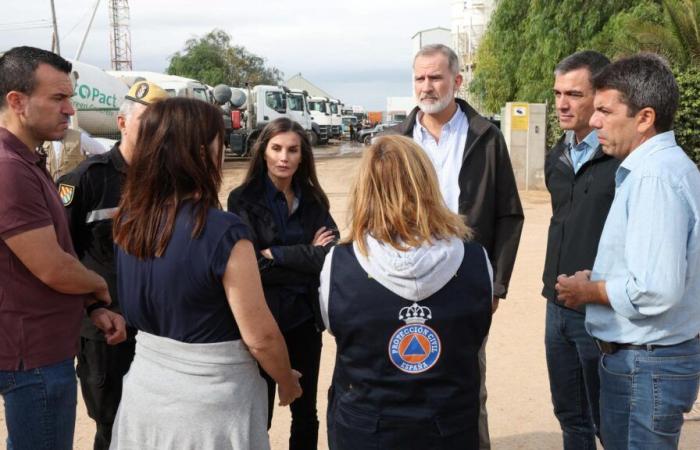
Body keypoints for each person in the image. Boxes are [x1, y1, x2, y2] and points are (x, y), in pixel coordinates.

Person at [110, 98, 301, 449]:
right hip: (208, 409)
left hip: (144, 394)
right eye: (221, 143)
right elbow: (260, 337)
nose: (225, 151)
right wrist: (286, 382)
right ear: (201, 153)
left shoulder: (128, 220)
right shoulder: (222, 231)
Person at [556, 53, 700, 450]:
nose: (594, 120)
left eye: (604, 110)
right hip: (646, 363)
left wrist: (591, 291)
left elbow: (656, 288)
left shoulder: (654, 178)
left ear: (644, 118)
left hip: (646, 364)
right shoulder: (659, 169)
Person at [386, 43, 524, 449]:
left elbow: (509, 215)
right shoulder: (397, 141)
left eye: (435, 77)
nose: (426, 87)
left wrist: (496, 284)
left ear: (457, 80)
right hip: (403, 283)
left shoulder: (486, 138)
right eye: (419, 78)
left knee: (467, 383)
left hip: (467, 284)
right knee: (406, 378)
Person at [319, 135, 493, 449]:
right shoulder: (476, 259)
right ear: (428, 184)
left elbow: (336, 327)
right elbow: (477, 331)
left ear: (365, 189)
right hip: (449, 430)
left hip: (367, 430)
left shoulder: (339, 264)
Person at [0, 46, 126, 450]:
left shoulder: (26, 162)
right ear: (17, 102)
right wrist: (100, 287)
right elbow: (53, 267)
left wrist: (91, 305)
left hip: (40, 347)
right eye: (58, 98)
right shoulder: (9, 169)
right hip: (30, 356)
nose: (70, 110)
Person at [55, 80, 169, 450]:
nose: (155, 132)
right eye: (146, 122)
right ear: (122, 123)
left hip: (159, 327)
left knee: (158, 422)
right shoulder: (87, 180)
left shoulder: (169, 182)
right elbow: (62, 252)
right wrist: (92, 308)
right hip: (107, 330)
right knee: (112, 425)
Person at [228, 117, 337, 450]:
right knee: (259, 415)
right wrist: (306, 256)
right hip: (262, 323)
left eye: (292, 150)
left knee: (306, 413)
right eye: (276, 148)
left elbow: (330, 257)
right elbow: (254, 269)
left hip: (304, 321)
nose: (284, 157)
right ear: (263, 152)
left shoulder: (315, 200)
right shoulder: (242, 200)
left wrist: (276, 253)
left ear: (303, 155)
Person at [542, 50, 615, 450]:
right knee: (570, 416)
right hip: (556, 305)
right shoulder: (559, 154)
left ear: (600, 94)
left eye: (574, 93)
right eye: (557, 94)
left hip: (600, 307)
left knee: (609, 421)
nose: (562, 104)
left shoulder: (622, 158)